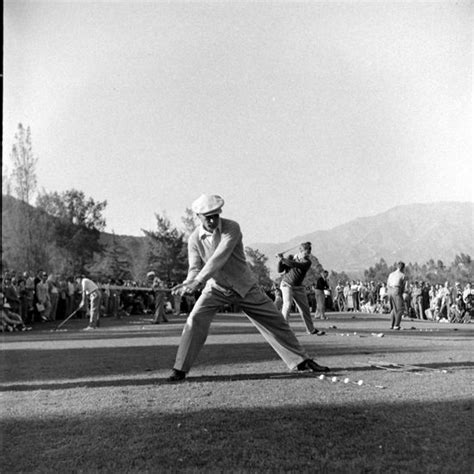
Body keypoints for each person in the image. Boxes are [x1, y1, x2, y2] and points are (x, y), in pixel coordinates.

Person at [168, 194, 329, 382]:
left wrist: (198, 280)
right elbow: (194, 267)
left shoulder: (232, 228)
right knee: (195, 319)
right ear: (198, 217)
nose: (212, 220)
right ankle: (180, 369)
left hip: (245, 286)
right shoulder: (194, 239)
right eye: (207, 217)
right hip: (216, 288)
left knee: (276, 321)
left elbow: (220, 257)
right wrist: (189, 282)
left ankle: (301, 360)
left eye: (215, 216)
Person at [277, 243, 325, 335]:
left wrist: (282, 259)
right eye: (306, 252)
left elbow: (294, 264)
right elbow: (280, 270)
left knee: (305, 309)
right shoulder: (290, 257)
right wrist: (280, 261)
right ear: (301, 251)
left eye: (309, 253)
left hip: (298, 287)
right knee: (287, 305)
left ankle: (310, 330)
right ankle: (283, 330)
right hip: (286, 284)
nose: (308, 255)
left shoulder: (307, 262)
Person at [387, 261, 407, 330]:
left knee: (393, 308)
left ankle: (391, 324)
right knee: (400, 308)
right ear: (403, 268)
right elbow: (404, 287)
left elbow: (388, 284)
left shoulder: (391, 274)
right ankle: (396, 325)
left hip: (390, 290)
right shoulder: (402, 275)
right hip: (396, 289)